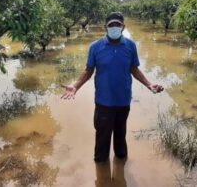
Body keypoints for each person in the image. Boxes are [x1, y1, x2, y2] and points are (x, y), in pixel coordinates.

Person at [61, 12, 164, 162]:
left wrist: (149, 84)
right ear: (105, 27)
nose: (114, 27)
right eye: (111, 25)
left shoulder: (130, 46)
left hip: (123, 102)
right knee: (102, 143)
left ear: (123, 27)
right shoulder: (95, 47)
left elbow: (134, 69)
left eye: (118, 25)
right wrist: (76, 86)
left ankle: (120, 167)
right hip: (103, 103)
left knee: (121, 140)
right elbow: (89, 70)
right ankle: (101, 173)